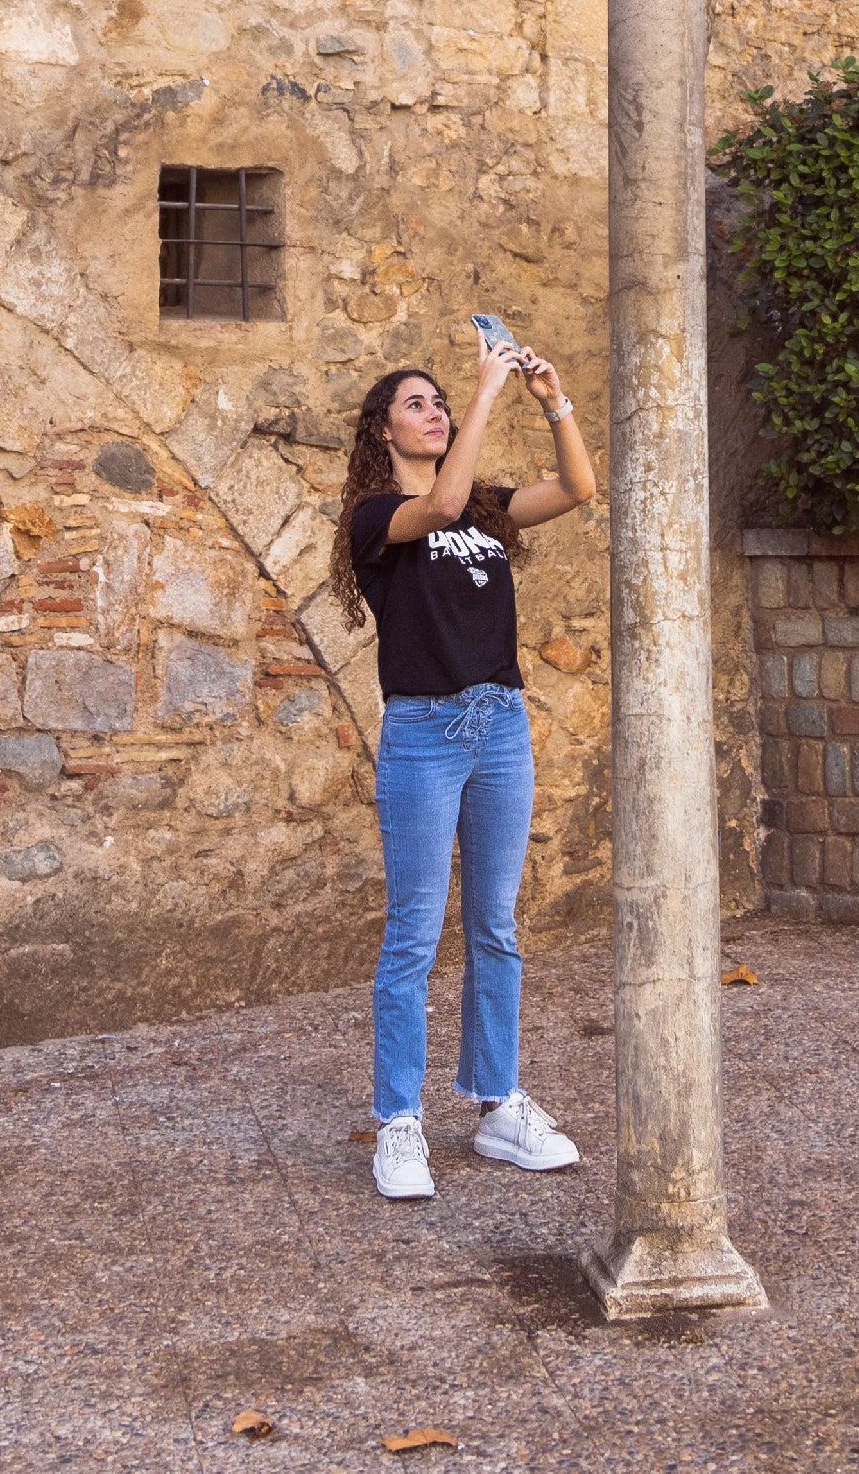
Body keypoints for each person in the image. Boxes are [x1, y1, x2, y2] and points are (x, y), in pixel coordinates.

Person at [327, 335, 597, 1200]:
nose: (436, 410)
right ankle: (398, 1122)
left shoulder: (482, 506)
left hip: (500, 724)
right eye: (418, 403)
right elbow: (435, 509)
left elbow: (578, 489)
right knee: (413, 931)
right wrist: (485, 392)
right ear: (382, 430)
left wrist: (551, 399)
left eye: (441, 399)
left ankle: (496, 1103)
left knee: (495, 926)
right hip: (423, 731)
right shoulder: (377, 519)